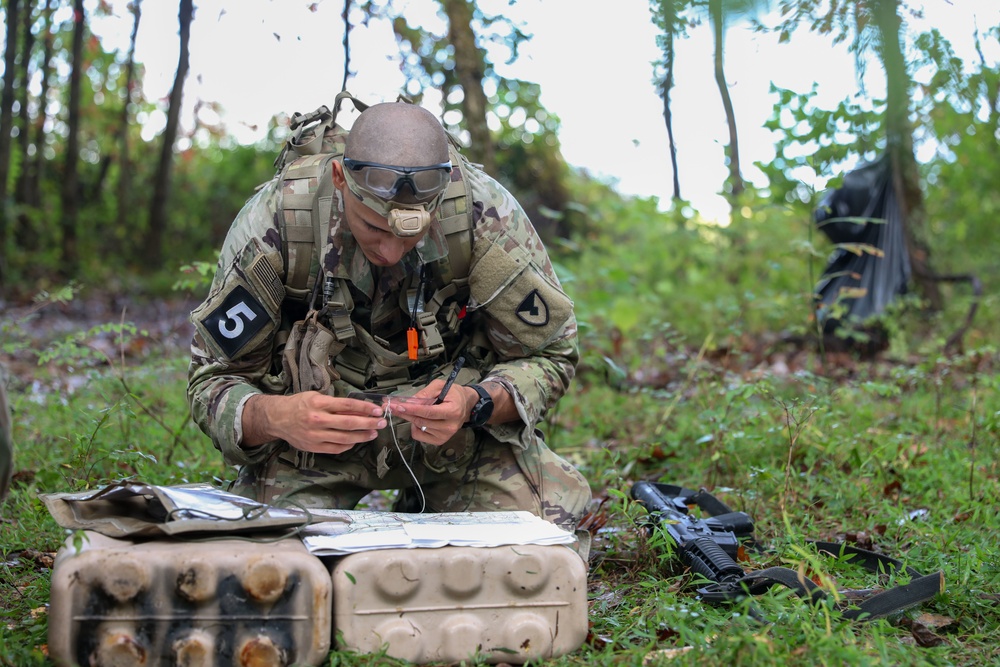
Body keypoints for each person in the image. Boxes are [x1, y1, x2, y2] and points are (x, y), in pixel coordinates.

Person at [187, 98, 591, 534]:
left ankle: (429, 497)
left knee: (542, 529)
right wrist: (277, 417)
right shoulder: (280, 222)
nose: (391, 250)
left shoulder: (482, 215)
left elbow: (553, 355)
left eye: (411, 233)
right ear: (341, 178)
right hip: (312, 446)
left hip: (453, 439)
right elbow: (212, 379)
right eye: (374, 229)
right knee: (265, 555)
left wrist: (475, 403)